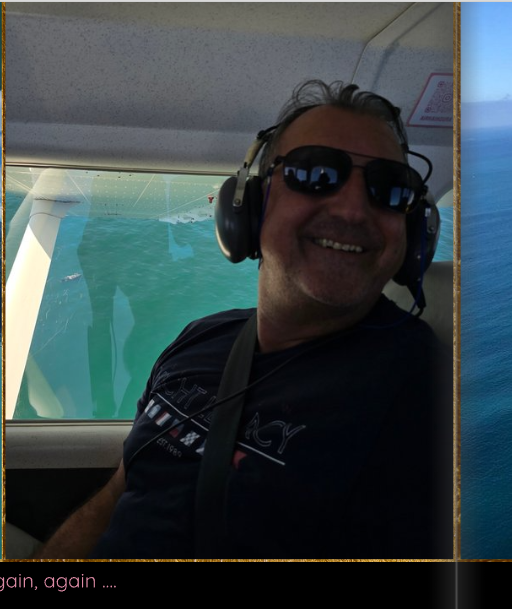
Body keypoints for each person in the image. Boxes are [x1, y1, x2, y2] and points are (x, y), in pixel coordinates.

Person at [34, 80, 448, 559]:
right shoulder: (201, 338)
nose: (355, 210)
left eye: (390, 188)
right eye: (314, 173)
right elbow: (119, 494)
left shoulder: (428, 393)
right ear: (249, 204)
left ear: (412, 229)